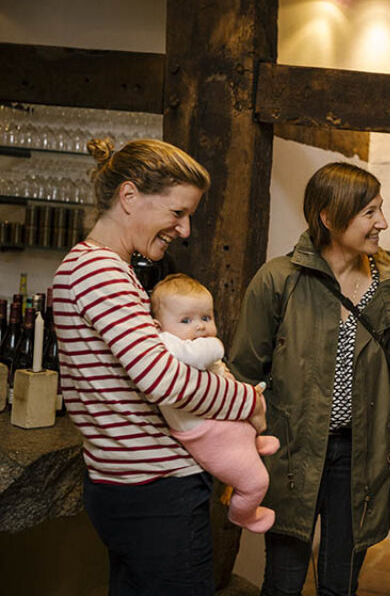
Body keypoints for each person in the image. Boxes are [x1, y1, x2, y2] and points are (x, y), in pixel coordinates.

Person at [52, 138, 266, 596]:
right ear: (129, 197)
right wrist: (249, 399)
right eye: (177, 213)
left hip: (132, 487)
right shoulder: (100, 272)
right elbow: (162, 380)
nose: (184, 229)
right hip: (154, 493)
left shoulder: (106, 269)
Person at [229, 162, 390, 596]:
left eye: (381, 210)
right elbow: (242, 376)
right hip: (291, 456)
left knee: (341, 586)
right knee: (282, 583)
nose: (383, 223)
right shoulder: (280, 280)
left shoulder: (388, 285)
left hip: (360, 458)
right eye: (370, 213)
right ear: (329, 217)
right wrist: (238, 460)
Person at [150, 273, 280, 533]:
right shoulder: (167, 343)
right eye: (186, 320)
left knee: (254, 397)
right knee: (256, 482)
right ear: (158, 325)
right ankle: (243, 514)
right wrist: (216, 345)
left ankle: (251, 441)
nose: (199, 326)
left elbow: (219, 379)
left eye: (206, 318)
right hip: (205, 435)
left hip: (217, 423)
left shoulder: (189, 343)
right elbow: (202, 357)